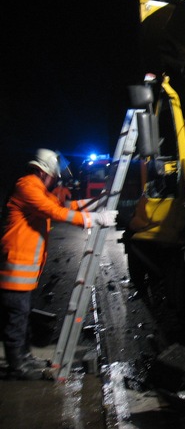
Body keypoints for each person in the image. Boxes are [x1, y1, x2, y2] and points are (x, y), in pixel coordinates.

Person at [0, 148, 118, 380]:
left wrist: (95, 202)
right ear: (45, 171)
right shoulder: (27, 186)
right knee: (16, 316)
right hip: (14, 267)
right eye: (53, 175)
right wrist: (91, 219)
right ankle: (17, 365)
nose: (55, 179)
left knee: (22, 316)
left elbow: (64, 206)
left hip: (23, 270)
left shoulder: (37, 188)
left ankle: (24, 357)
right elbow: (53, 211)